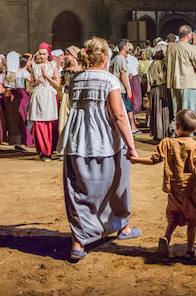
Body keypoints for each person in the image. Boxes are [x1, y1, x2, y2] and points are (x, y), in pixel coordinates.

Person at [58, 37, 140, 261]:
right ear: (104, 57)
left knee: (79, 192)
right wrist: (131, 145)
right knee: (117, 185)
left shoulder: (76, 79)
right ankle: (121, 227)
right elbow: (118, 115)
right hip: (105, 142)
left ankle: (79, 241)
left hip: (78, 142)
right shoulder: (109, 80)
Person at [131, 109, 196, 258]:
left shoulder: (166, 142)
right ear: (194, 130)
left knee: (174, 216)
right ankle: (189, 250)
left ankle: (167, 237)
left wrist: (136, 160)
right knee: (192, 219)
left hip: (173, 189)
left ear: (177, 126)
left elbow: (153, 160)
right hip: (190, 190)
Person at [29, 43, 61, 161]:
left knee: (47, 124)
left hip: (48, 94)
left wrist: (46, 76)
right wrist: (37, 81)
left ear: (48, 55)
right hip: (37, 94)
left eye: (44, 54)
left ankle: (48, 151)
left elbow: (57, 84)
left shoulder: (53, 66)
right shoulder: (34, 66)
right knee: (37, 124)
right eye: (40, 54)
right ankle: (41, 150)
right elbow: (32, 84)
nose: (42, 56)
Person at [166, 25, 196, 116]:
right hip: (188, 84)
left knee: (177, 113)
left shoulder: (171, 49)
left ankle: (177, 130)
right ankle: (187, 130)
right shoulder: (191, 49)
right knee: (188, 113)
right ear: (189, 35)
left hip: (174, 83)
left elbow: (166, 65)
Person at [3, 52, 32, 147]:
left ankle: (15, 141)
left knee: (12, 118)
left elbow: (4, 85)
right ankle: (26, 140)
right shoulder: (23, 72)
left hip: (8, 96)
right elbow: (31, 81)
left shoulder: (6, 73)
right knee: (23, 117)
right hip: (21, 96)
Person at [111, 40, 139, 133]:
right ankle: (132, 127)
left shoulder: (115, 58)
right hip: (122, 88)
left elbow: (111, 69)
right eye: (127, 45)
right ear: (124, 47)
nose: (129, 47)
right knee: (129, 108)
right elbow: (122, 73)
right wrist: (128, 89)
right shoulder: (121, 58)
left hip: (117, 87)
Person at [147, 43, 171, 141]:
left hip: (153, 89)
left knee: (156, 111)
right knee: (163, 111)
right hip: (162, 87)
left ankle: (157, 133)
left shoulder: (152, 64)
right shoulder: (163, 63)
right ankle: (164, 132)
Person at [58, 46, 82, 134]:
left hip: (78, 96)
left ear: (74, 55)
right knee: (63, 122)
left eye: (67, 55)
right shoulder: (66, 69)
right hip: (67, 95)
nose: (65, 56)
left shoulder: (82, 68)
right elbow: (61, 83)